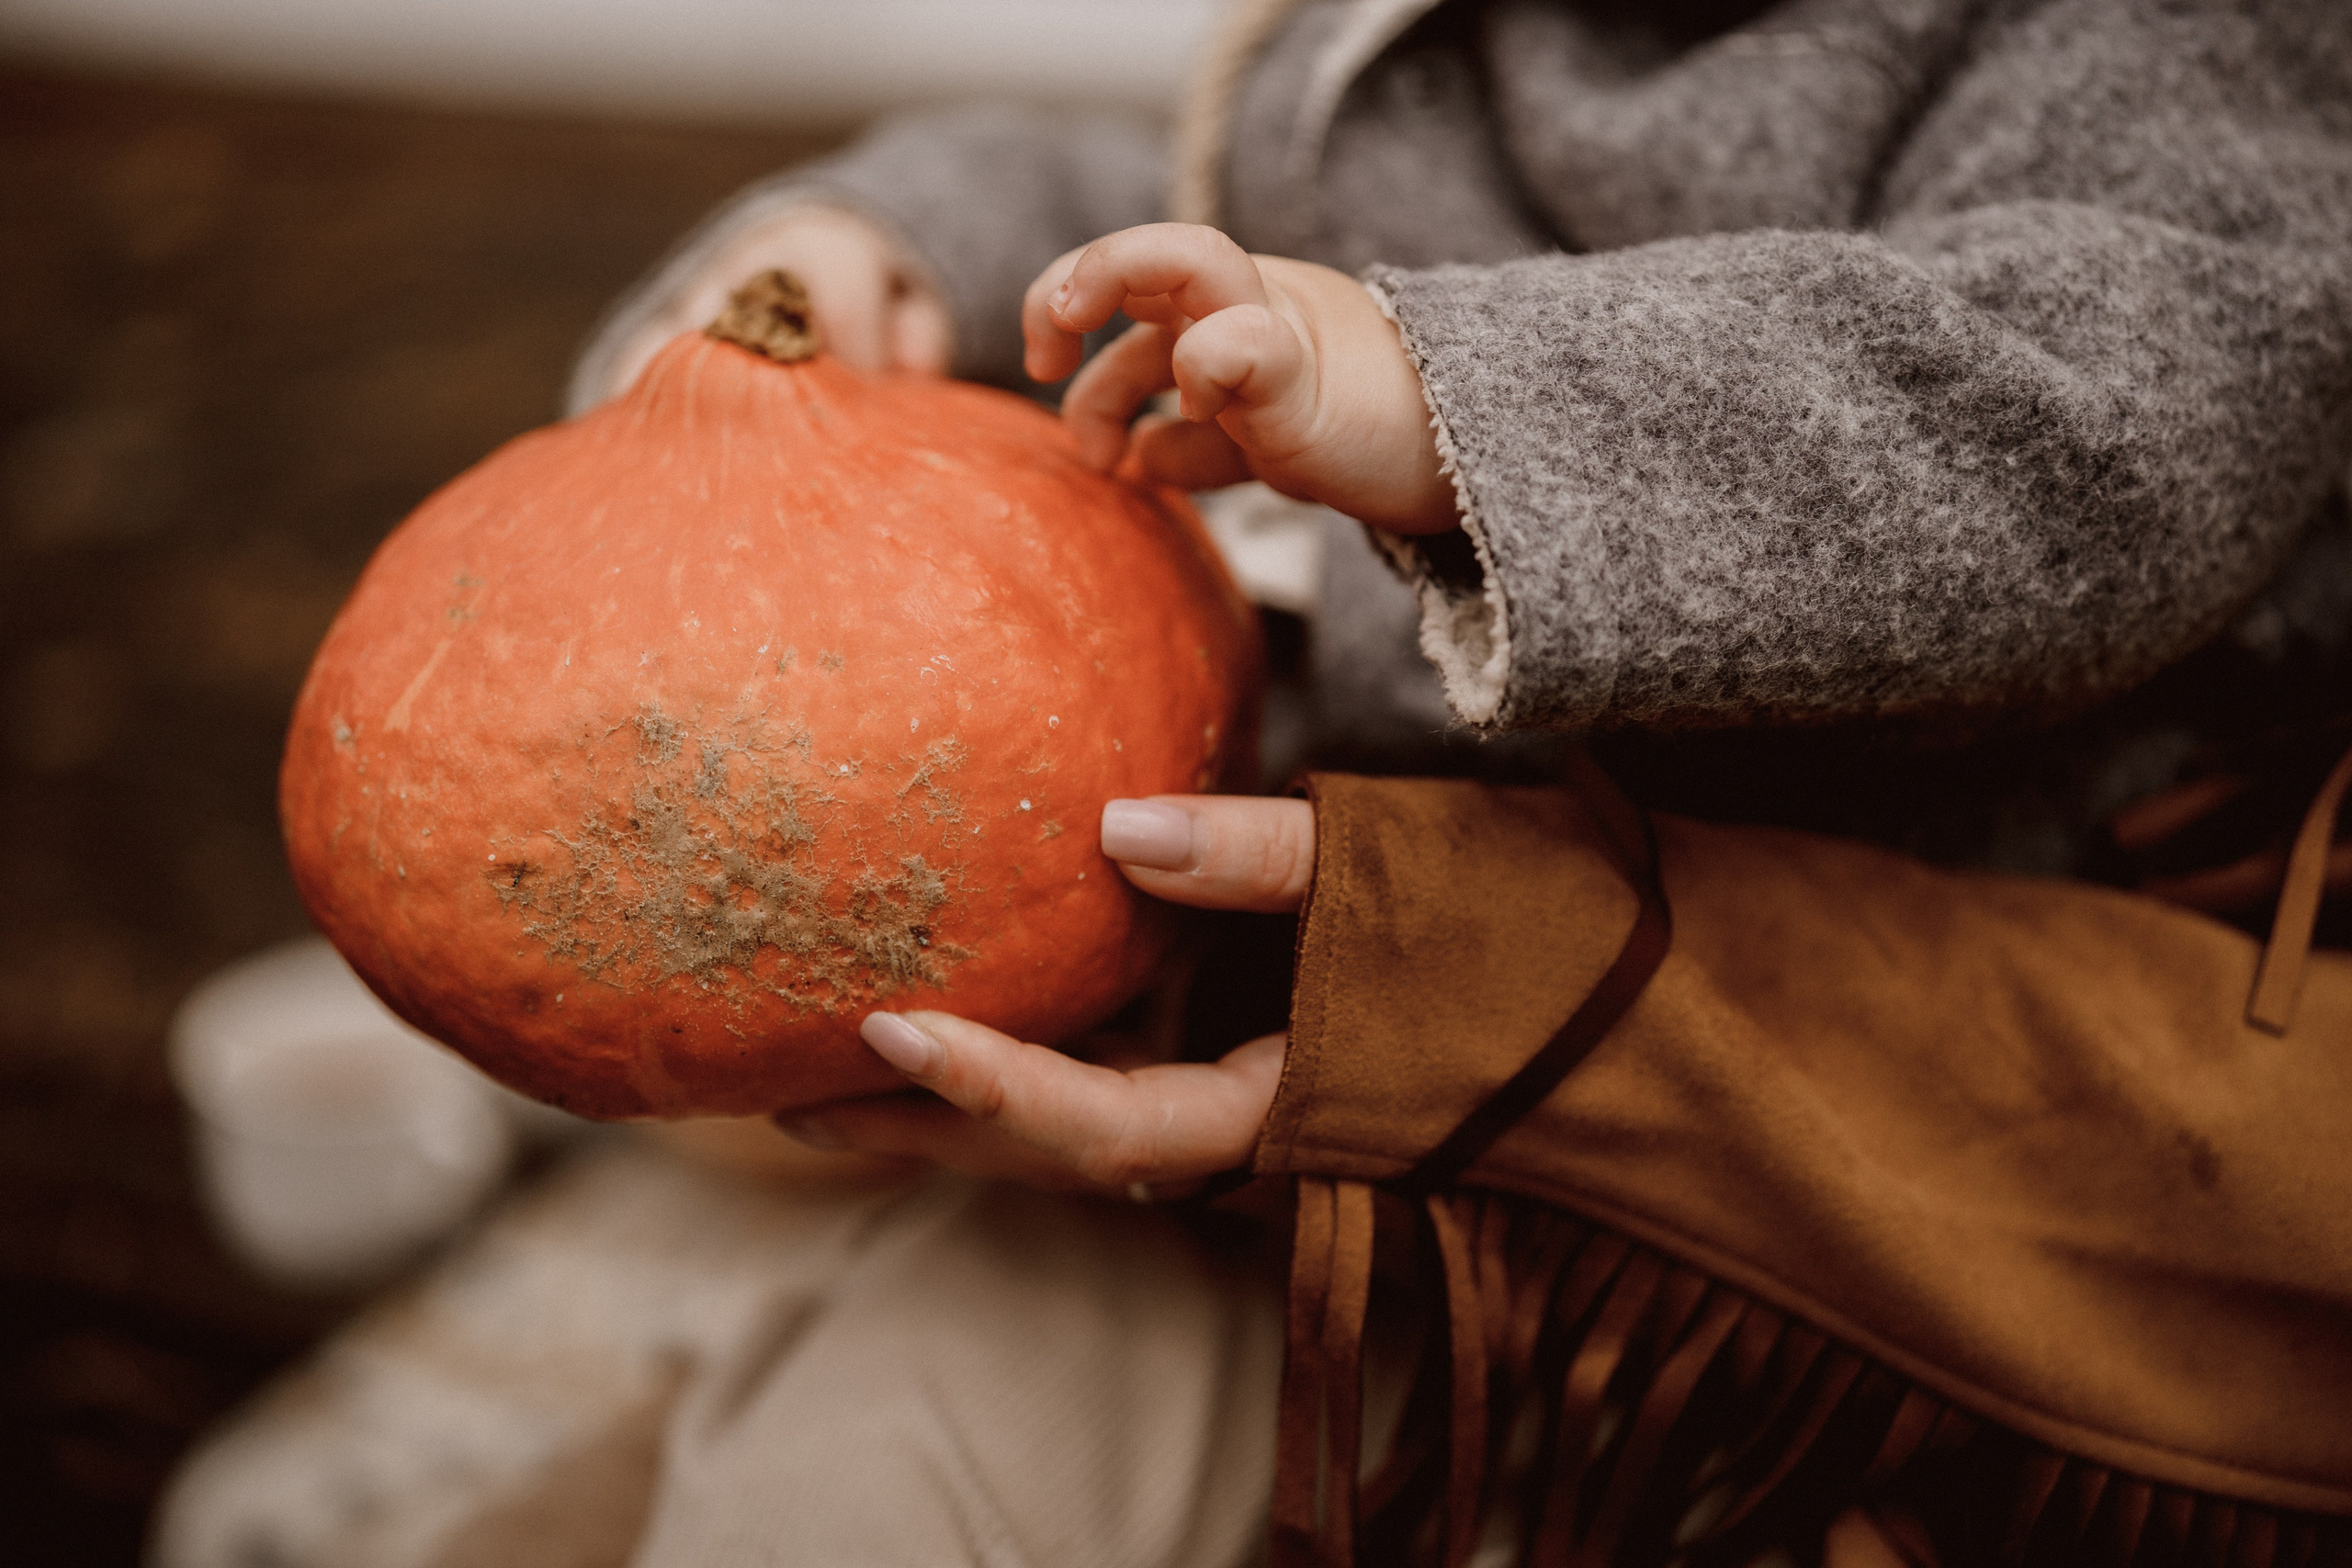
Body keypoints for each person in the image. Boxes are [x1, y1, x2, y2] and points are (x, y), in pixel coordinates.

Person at [162, 2, 2352, 1564]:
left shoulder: (2179, 52)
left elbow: (2097, 414)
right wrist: (895, 239)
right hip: (1308, 1088)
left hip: (1843, 1231)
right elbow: (1188, 206)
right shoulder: (1440, 29)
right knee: (846, 1480)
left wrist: (1446, 389)